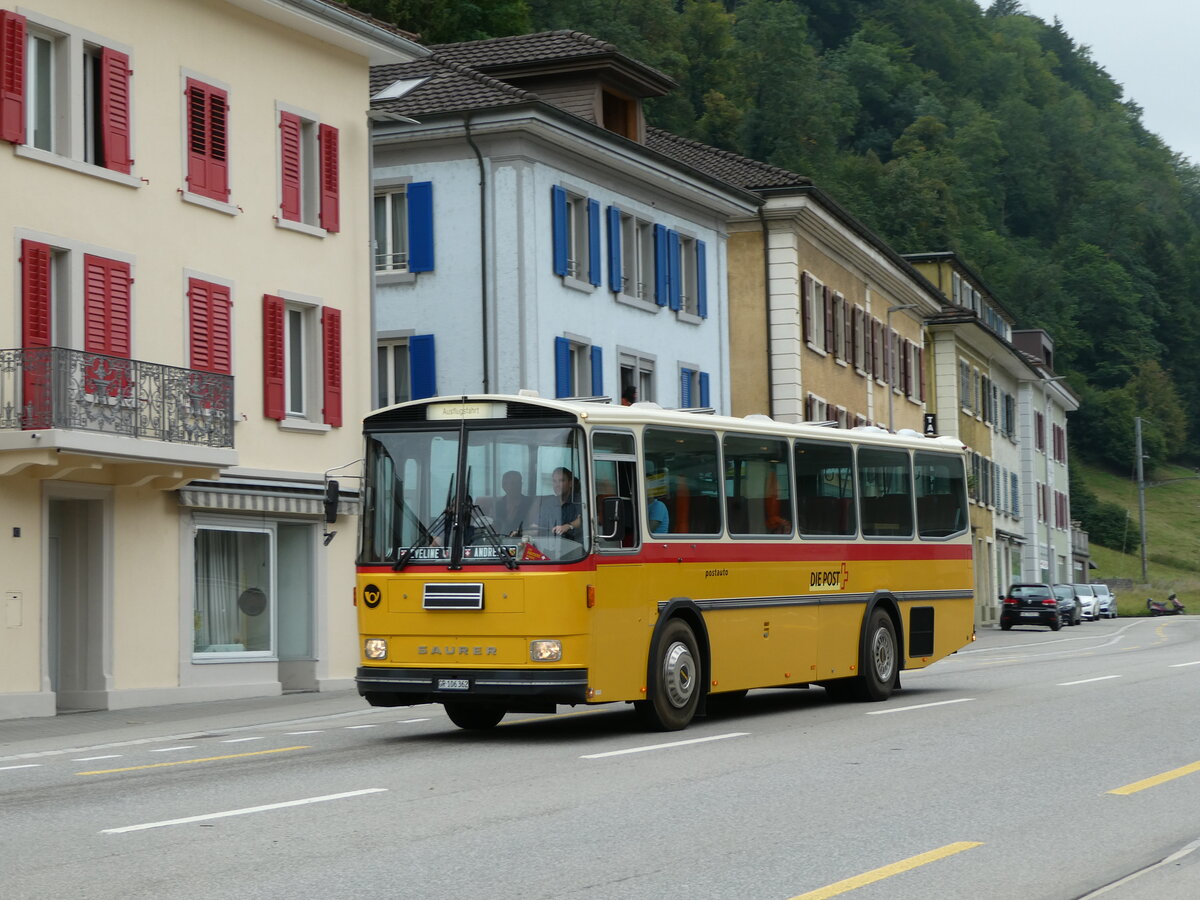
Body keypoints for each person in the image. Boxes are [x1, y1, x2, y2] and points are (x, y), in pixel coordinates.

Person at [536, 467, 582, 538]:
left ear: (570, 483)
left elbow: (584, 519)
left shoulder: (579, 500)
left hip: (575, 545)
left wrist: (568, 526)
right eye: (554, 481)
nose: (557, 485)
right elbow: (538, 525)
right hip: (551, 545)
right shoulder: (548, 504)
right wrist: (520, 532)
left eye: (561, 481)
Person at [492, 470, 532, 536]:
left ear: (521, 484)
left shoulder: (529, 503)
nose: (516, 486)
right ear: (503, 486)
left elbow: (532, 527)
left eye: (518, 483)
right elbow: (495, 527)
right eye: (512, 483)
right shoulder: (499, 505)